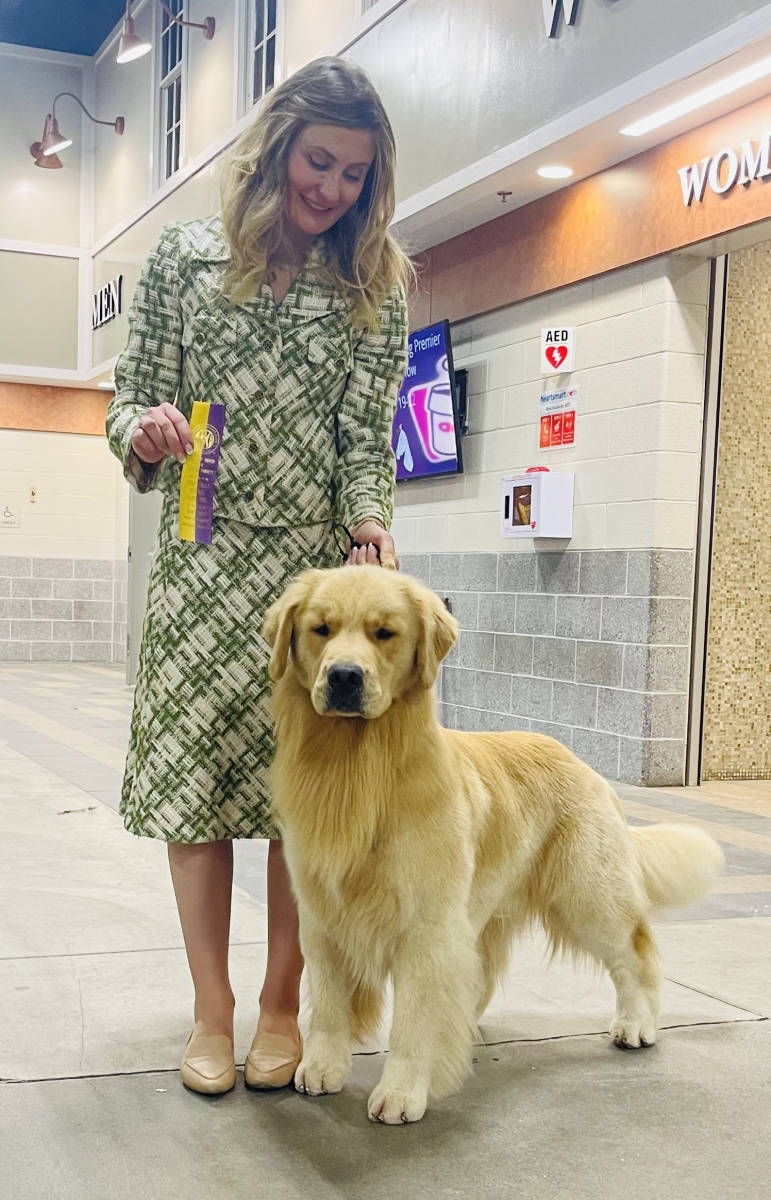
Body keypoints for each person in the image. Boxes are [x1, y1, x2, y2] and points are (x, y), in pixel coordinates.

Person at [106, 56, 411, 1095]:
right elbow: (131, 399)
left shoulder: (373, 283)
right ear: (277, 148)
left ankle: (285, 1004)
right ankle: (213, 1010)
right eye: (319, 162)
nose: (332, 189)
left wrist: (369, 522)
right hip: (199, 568)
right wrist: (144, 432)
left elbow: (365, 438)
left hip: (310, 586)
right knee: (196, 796)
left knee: (304, 805)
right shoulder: (185, 260)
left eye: (354, 175)